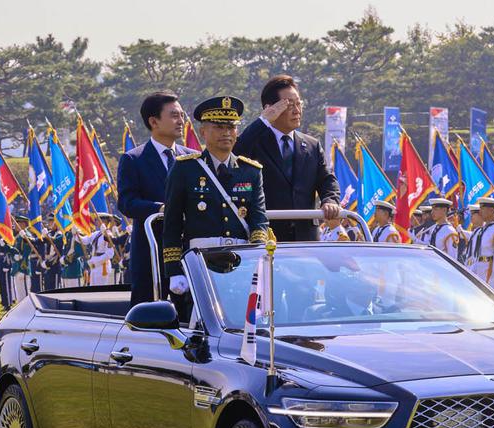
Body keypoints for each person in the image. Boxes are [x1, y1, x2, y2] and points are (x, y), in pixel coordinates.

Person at [162, 95, 269, 300]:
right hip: (200, 260)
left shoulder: (251, 171)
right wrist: (174, 270)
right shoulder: (185, 168)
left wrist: (255, 256)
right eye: (218, 127)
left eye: (231, 127)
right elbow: (172, 223)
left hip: (240, 262)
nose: (226, 133)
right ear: (203, 132)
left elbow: (259, 220)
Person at [233, 74, 340, 241]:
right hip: (267, 237)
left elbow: (327, 179)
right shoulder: (255, 142)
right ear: (270, 108)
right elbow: (234, 153)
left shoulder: (312, 145)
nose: (297, 110)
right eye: (289, 105)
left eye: (299, 104)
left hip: (306, 239)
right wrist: (263, 121)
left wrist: (330, 200)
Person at [118, 90, 197, 305]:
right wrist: (160, 209)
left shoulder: (192, 158)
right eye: (173, 115)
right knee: (148, 318)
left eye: (182, 115)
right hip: (151, 253)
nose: (181, 120)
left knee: (191, 318)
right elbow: (127, 203)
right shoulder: (134, 159)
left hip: (187, 252)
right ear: (154, 121)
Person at [470, 198, 494, 295]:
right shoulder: (482, 230)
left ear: (491, 211)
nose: (480, 211)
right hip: (481, 274)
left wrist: (492, 285)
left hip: (493, 279)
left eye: (483, 208)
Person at [81, 213, 116, 286]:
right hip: (94, 264)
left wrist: (97, 260)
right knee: (93, 288)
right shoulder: (97, 233)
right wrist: (76, 234)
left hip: (102, 265)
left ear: (104, 222)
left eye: (97, 220)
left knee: (100, 289)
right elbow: (85, 241)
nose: (96, 222)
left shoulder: (108, 235)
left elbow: (110, 254)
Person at [10, 215, 33, 304]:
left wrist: (21, 258)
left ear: (23, 224)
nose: (15, 225)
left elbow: (29, 248)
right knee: (19, 293)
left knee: (25, 292)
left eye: (17, 223)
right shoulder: (18, 236)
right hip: (17, 267)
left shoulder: (26, 235)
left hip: (23, 266)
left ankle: (26, 310)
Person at [42, 214, 62, 291]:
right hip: (47, 264)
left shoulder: (59, 234)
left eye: (52, 221)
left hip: (55, 264)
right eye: (49, 221)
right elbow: (39, 241)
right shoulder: (49, 233)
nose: (50, 223)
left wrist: (48, 263)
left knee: (55, 288)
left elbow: (58, 251)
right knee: (47, 287)